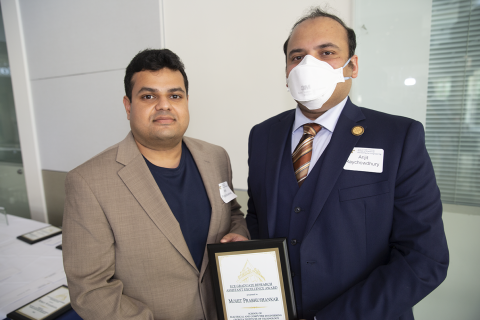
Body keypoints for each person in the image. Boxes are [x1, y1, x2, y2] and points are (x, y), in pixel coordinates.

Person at [246, 8, 448, 320]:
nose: (308, 65)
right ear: (286, 71)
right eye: (297, 57)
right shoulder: (262, 136)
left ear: (352, 66)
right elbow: (258, 221)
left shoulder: (399, 137)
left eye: (326, 52)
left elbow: (424, 257)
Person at [63, 49, 249, 320]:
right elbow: (90, 290)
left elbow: (233, 213)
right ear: (128, 106)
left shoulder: (215, 157)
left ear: (186, 101)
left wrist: (240, 234)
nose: (164, 105)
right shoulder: (87, 182)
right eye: (149, 96)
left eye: (175, 95)